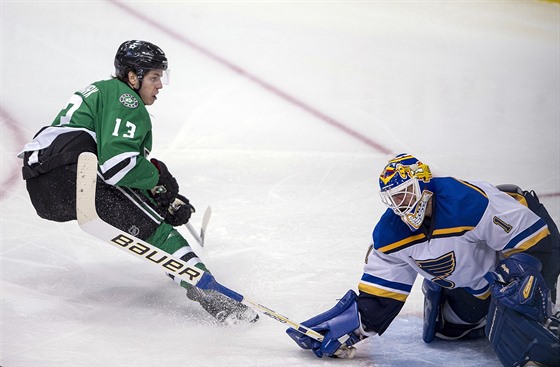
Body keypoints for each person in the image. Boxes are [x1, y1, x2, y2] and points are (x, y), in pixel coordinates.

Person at [17, 40, 258, 325]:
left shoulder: (101, 92)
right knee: (158, 231)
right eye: (154, 77)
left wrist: (159, 196)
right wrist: (158, 179)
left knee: (149, 222)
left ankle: (185, 272)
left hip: (45, 183)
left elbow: (112, 165)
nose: (160, 85)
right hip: (73, 171)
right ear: (133, 77)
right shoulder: (125, 98)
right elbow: (117, 166)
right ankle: (212, 295)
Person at [287, 153, 559, 366]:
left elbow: (532, 238)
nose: (401, 205)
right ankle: (445, 290)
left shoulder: (467, 203)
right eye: (393, 199)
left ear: (423, 184)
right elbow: (381, 298)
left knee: (522, 301)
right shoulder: (390, 233)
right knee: (451, 330)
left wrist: (520, 274)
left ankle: (536, 318)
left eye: (405, 193)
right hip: (473, 277)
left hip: (530, 234)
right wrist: (347, 329)